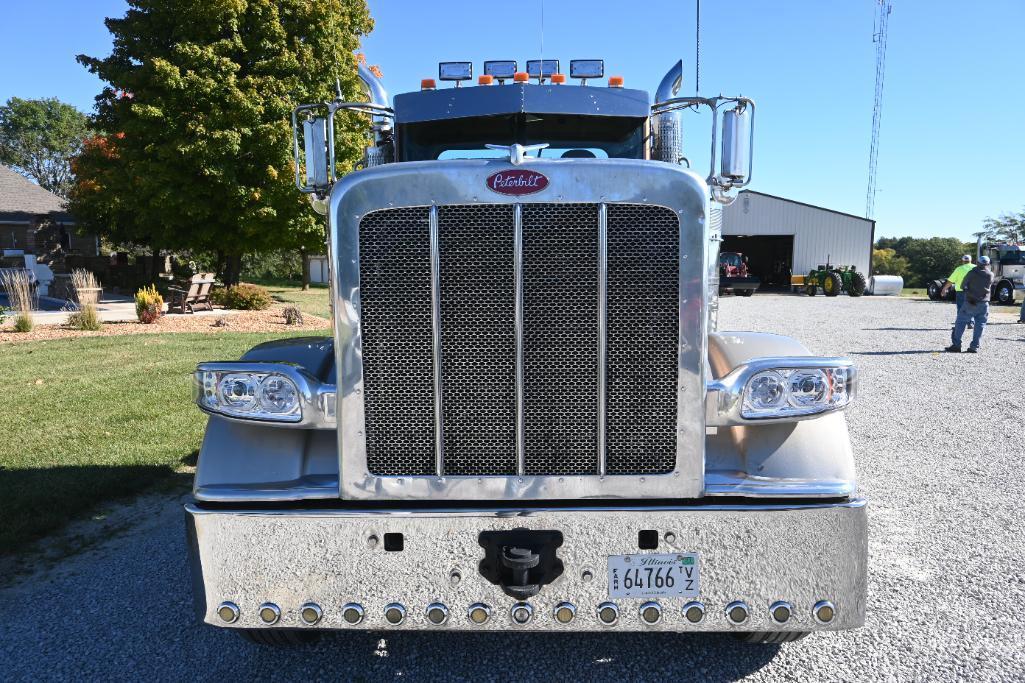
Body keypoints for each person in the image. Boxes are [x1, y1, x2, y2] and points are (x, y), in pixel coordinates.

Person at [945, 256, 994, 353]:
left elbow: (963, 286)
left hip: (971, 301)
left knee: (960, 322)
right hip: (984, 303)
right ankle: (974, 347)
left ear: (977, 262)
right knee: (980, 325)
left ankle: (956, 345)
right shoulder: (990, 274)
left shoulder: (972, 273)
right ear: (988, 264)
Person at [940, 255, 974, 325]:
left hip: (961, 292)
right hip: (973, 291)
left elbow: (951, 281)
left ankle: (960, 324)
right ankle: (971, 323)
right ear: (971, 260)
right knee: (971, 307)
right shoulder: (975, 268)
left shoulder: (959, 269)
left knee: (961, 308)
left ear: (963, 261)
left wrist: (944, 289)